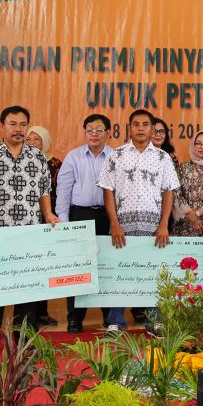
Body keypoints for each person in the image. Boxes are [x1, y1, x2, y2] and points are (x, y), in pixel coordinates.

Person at [0, 105, 59, 345]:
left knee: (26, 295)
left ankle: (23, 347)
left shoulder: (37, 157)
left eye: (23, 124)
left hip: (29, 236)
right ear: (2, 126)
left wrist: (48, 213)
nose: (18, 129)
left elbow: (44, 190)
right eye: (13, 124)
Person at [97, 109, 179, 335]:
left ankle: (155, 322)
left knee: (154, 273)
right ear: (129, 128)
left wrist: (164, 224)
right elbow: (108, 190)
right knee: (121, 272)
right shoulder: (117, 155)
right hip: (123, 226)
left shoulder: (163, 158)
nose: (141, 128)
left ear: (153, 129)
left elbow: (168, 192)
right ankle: (115, 321)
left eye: (145, 124)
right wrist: (114, 223)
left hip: (153, 227)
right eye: (136, 124)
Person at [55, 113, 123, 333]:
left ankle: (109, 316)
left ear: (109, 133)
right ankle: (75, 318)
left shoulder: (117, 157)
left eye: (99, 130)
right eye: (90, 130)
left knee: (108, 266)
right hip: (80, 216)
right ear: (84, 132)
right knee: (78, 268)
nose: (94, 134)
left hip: (109, 216)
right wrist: (65, 225)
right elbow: (63, 192)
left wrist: (118, 221)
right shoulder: (73, 157)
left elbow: (122, 192)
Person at [26, 125, 62, 328]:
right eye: (28, 139)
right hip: (27, 222)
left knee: (45, 268)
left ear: (45, 142)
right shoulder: (21, 161)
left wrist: (52, 214)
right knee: (30, 268)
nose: (31, 142)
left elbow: (59, 191)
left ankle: (42, 312)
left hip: (48, 220)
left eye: (36, 139)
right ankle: (28, 315)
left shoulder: (55, 164)